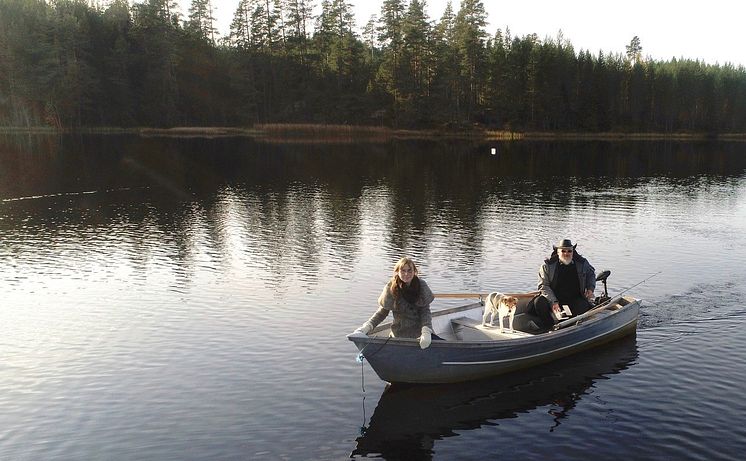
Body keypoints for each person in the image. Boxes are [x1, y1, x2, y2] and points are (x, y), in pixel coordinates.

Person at [354, 256, 436, 349]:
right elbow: (381, 313)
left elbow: (425, 312)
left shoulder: (421, 286)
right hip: (398, 335)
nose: (406, 274)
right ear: (397, 272)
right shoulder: (392, 288)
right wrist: (366, 327)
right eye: (403, 271)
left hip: (420, 336)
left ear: (414, 272)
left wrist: (426, 331)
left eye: (409, 270)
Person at [529, 239, 596, 330]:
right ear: (557, 251)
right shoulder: (547, 266)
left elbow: (591, 274)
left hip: (575, 297)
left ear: (573, 251)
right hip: (553, 297)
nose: (566, 253)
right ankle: (549, 327)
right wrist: (554, 302)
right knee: (539, 302)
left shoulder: (582, 263)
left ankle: (569, 327)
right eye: (563, 251)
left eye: (569, 251)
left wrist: (590, 289)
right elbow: (543, 286)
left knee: (583, 306)